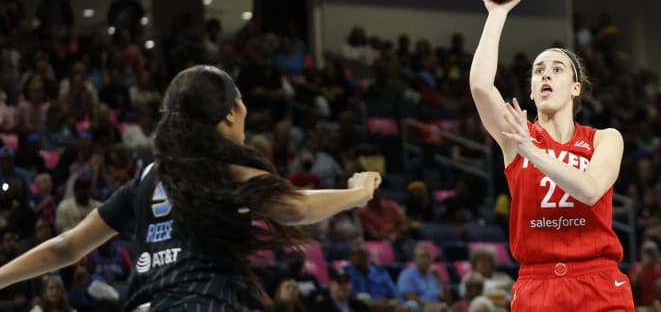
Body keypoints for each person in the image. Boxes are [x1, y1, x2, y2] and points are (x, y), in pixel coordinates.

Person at [0, 65, 381, 311]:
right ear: (231, 111)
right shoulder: (225, 168)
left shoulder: (149, 176)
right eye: (242, 100)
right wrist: (358, 193)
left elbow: (65, 246)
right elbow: (295, 207)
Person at [468, 0, 634, 311]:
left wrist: (533, 153)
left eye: (557, 69)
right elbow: (479, 86)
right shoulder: (516, 135)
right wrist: (497, 14)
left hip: (598, 281)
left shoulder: (604, 139)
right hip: (536, 284)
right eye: (538, 70)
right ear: (532, 91)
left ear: (575, 88)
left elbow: (589, 190)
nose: (545, 73)